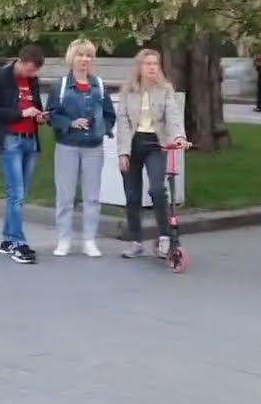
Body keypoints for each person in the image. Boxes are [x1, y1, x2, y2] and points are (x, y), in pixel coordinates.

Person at [116, 49, 190, 258]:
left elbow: (173, 115)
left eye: (155, 64)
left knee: (157, 189)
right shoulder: (128, 90)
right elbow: (122, 123)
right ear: (139, 67)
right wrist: (123, 153)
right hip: (133, 143)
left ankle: (165, 237)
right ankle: (136, 241)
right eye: (147, 63)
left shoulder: (165, 89)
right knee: (132, 195)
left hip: (155, 144)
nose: (151, 67)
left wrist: (179, 136)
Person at [46, 39, 116, 258]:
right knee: (65, 196)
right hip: (67, 145)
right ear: (72, 57)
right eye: (80, 55)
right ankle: (64, 239)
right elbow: (51, 115)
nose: (84, 59)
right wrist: (70, 123)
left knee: (92, 197)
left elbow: (109, 115)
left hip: (93, 146)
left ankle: (89, 240)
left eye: (88, 56)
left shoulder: (99, 86)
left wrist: (101, 128)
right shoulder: (61, 86)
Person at [0, 45, 48, 264]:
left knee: (20, 193)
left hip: (30, 139)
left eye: (34, 71)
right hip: (11, 139)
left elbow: (36, 105)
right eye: (29, 70)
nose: (32, 74)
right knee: (16, 193)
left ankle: (7, 239)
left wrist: (39, 116)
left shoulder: (32, 81)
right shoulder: (1, 78)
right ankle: (18, 243)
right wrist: (21, 113)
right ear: (20, 62)